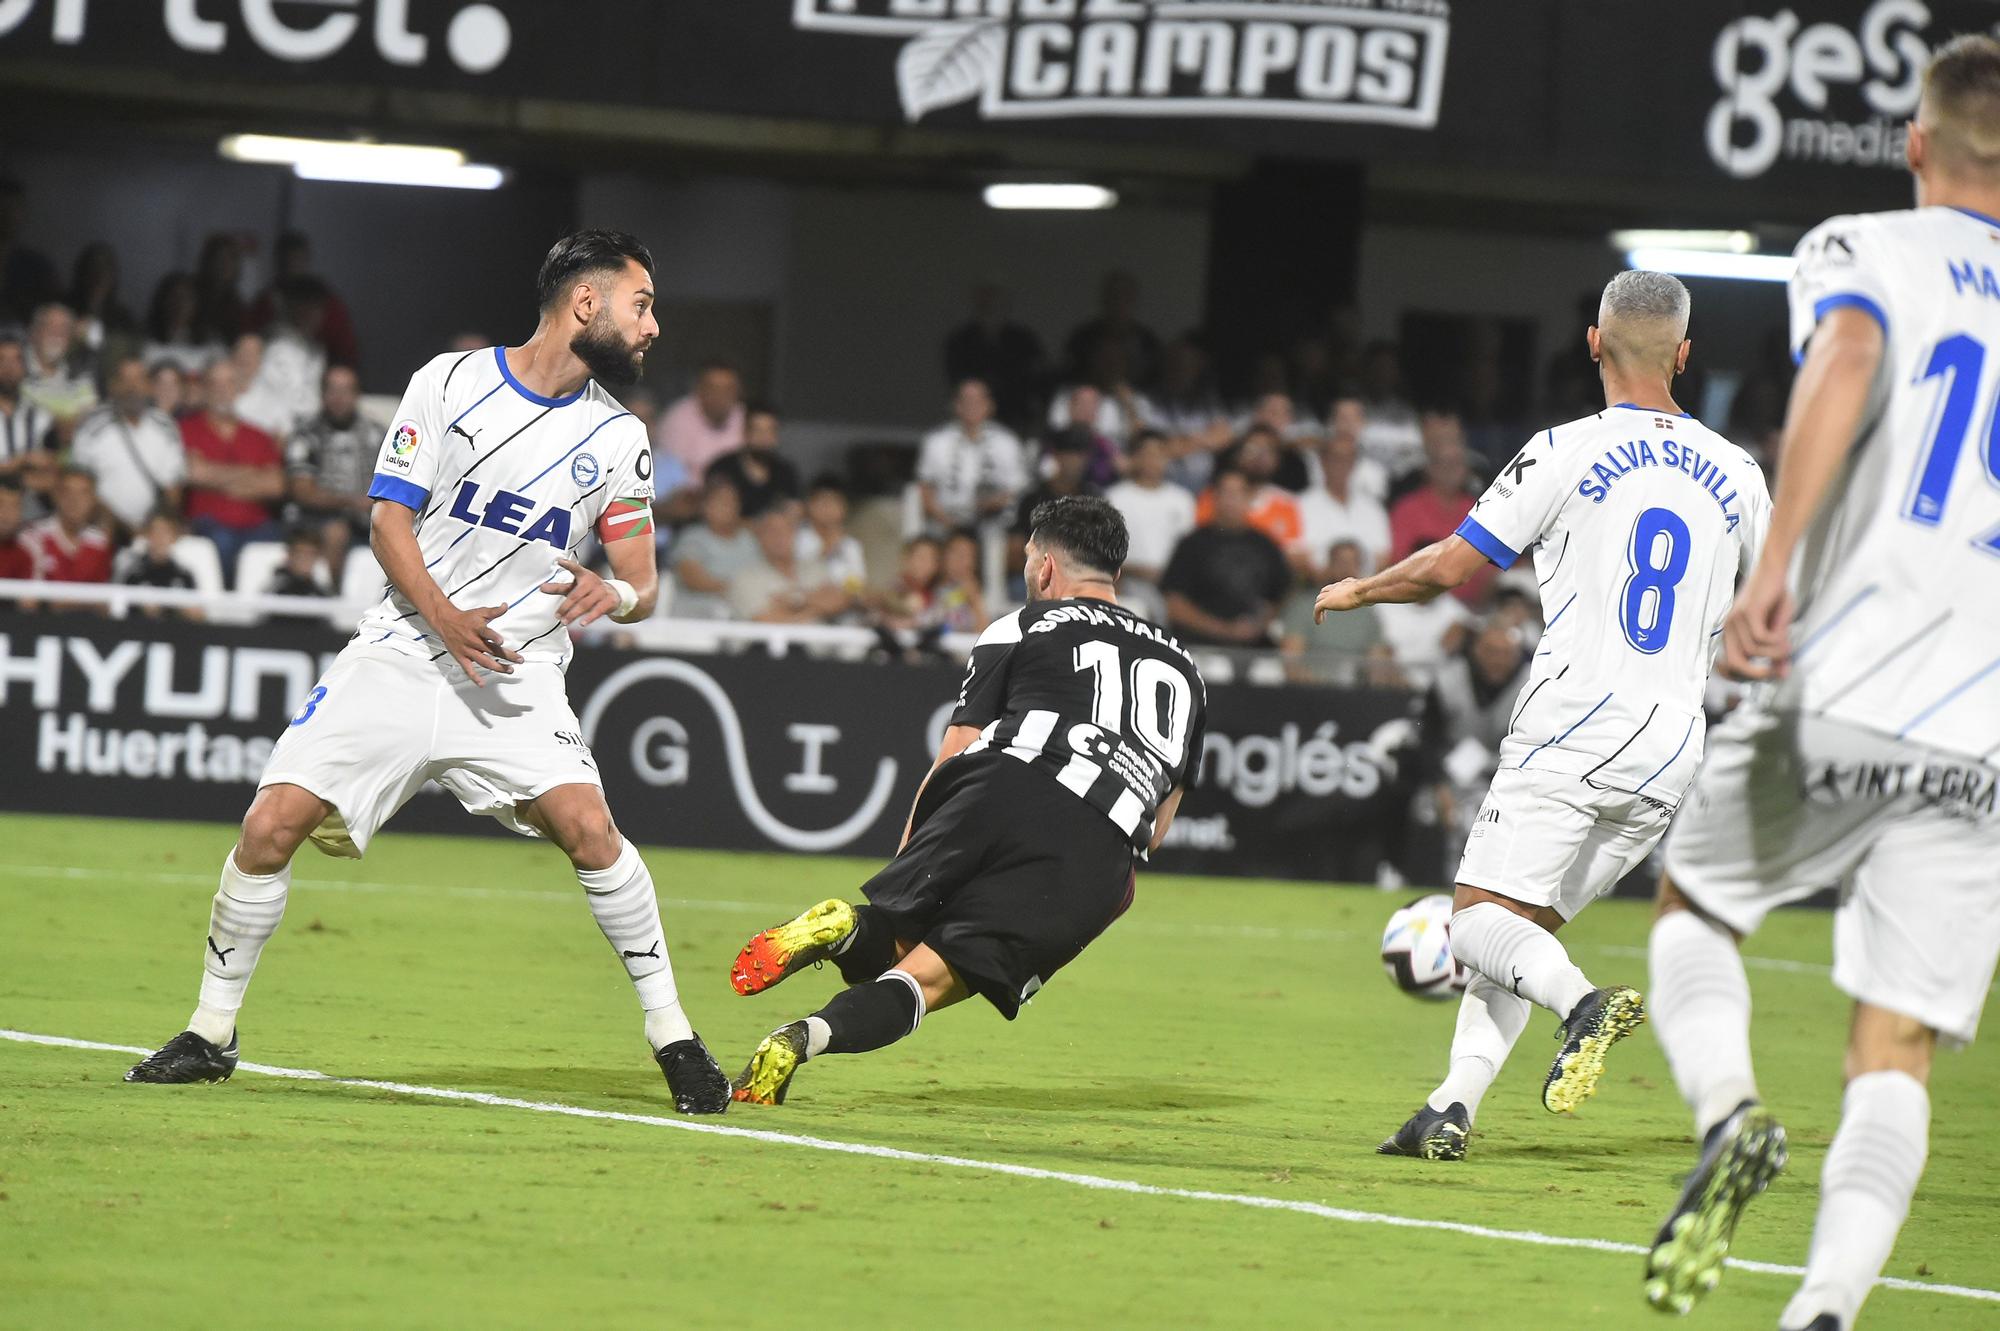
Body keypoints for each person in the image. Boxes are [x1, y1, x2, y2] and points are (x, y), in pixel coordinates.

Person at [123, 229, 730, 1114]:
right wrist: (445, 618)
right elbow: (386, 520)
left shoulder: (620, 436)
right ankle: (211, 1033)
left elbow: (641, 582)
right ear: (586, 303)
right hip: (405, 650)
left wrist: (622, 598)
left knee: (592, 830)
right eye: (642, 305)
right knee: (268, 825)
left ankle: (673, 1036)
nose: (654, 327)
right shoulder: (449, 382)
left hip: (517, 676)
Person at [1640, 37, 2000, 1329]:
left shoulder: (1867, 247)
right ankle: (1826, 1306)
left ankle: (1730, 1112)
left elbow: (1845, 361)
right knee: (1895, 1044)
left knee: (1695, 900)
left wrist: (1772, 563)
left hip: (1848, 678)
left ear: (1916, 142)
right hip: (1986, 739)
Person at [1314, 270, 1769, 1160]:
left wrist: (1361, 587)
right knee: (1514, 934)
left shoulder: (1565, 449)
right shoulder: (1744, 473)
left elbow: (1452, 567)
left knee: (1473, 921)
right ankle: (1451, 1106)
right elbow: (1780, 606)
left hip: (1575, 726)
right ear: (1684, 356)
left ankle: (1585, 1004)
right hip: (1674, 744)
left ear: (1593, 343)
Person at [725, 495, 1206, 1105]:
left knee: (896, 936)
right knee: (924, 981)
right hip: (1093, 845)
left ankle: (846, 924)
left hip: (996, 786)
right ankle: (799, 1039)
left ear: (1047, 568)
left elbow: (956, 747)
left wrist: (910, 855)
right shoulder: (1187, 670)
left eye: (1030, 557)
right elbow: (1158, 827)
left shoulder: (1022, 624)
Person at [1161, 469, 1291, 648]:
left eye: (1238, 493)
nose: (1232, 500)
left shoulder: (1266, 545)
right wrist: (1224, 630)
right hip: (1200, 641)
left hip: (1255, 642)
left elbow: (1282, 596)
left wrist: (1259, 625)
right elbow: (1174, 604)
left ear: (1249, 498)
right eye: (1226, 493)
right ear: (1214, 498)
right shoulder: (1191, 544)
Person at [179, 358, 285, 578]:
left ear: (238, 388)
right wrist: (251, 473)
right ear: (204, 388)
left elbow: (276, 485)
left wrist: (214, 475)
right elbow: (194, 474)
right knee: (222, 542)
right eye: (215, 383)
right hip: (208, 525)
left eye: (228, 383)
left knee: (277, 547)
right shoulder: (185, 429)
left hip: (258, 526)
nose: (222, 390)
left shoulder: (259, 436)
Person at [71, 354, 186, 538]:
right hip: (102, 526)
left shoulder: (166, 426)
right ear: (113, 386)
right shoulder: (91, 426)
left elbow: (172, 488)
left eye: (139, 379)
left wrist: (156, 527)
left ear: (149, 387)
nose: (132, 387)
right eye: (125, 380)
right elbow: (81, 487)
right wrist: (126, 530)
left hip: (152, 531)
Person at [1387, 414, 1490, 605]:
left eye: (1458, 464)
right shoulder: (1407, 509)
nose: (1452, 471)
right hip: (1420, 605)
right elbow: (1398, 564)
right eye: (1445, 464)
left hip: (1472, 607)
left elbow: (1492, 567)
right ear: (1430, 469)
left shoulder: (1478, 509)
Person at [286, 364, 380, 569]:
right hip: (315, 520)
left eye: (346, 390)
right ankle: (332, 596)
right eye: (333, 390)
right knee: (336, 531)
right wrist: (351, 501)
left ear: (357, 395)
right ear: (322, 394)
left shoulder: (378, 434)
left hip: (369, 517)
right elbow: (302, 491)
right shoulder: (306, 435)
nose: (339, 398)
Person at [916, 378, 1027, 534]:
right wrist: (947, 522)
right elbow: (924, 489)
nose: (972, 406)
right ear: (956, 405)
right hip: (945, 522)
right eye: (966, 400)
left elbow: (1018, 490)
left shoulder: (1007, 442)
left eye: (978, 400)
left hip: (993, 524)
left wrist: (991, 503)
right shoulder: (936, 442)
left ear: (990, 405)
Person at [1104, 430, 1194, 618]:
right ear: (1135, 458)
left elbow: (1188, 551)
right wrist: (1137, 571)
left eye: (1159, 454)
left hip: (1173, 584)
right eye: (1146, 454)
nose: (1153, 460)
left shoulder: (1182, 500)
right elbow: (1105, 551)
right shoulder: (1115, 497)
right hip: (1127, 580)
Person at [943, 282, 1043, 434]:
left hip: (1015, 414)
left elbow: (1035, 374)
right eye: (984, 302)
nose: (989, 307)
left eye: (994, 302)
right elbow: (956, 377)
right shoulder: (961, 339)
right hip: (972, 412)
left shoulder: (1023, 338)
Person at [1296, 425, 1391, 579]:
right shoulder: (1301, 505)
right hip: (1318, 591)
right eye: (1335, 458)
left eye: (1348, 459)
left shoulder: (1372, 508)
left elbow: (1383, 557)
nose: (1341, 465)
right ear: (1323, 461)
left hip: (1366, 592)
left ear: (1354, 464)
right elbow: (1299, 559)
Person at [726, 507, 845, 624]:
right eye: (771, 531)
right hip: (773, 643)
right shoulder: (745, 578)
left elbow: (839, 601)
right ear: (759, 538)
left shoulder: (815, 568)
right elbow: (767, 622)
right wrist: (817, 606)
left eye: (786, 529)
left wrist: (796, 602)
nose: (780, 536)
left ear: (795, 534)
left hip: (824, 641)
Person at [669, 479, 760, 620]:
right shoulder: (692, 538)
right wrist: (739, 589)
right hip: (698, 617)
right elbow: (692, 578)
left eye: (732, 502)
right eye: (721, 501)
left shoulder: (749, 539)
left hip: (744, 615)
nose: (727, 507)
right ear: (705, 507)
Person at [21, 465, 115, 595]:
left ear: (94, 500)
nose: (74, 500)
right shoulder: (34, 537)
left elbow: (103, 603)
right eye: (67, 492)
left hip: (87, 616)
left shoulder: (100, 543)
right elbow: (31, 600)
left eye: (83, 493)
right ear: (56, 496)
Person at [704, 404, 799, 519]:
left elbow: (793, 513)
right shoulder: (722, 469)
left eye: (770, 430)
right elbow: (715, 516)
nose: (764, 437)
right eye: (757, 430)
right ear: (745, 433)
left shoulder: (786, 472)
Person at [656, 360, 744, 479]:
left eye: (727, 390)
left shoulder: (745, 418)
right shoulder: (677, 420)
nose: (720, 396)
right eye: (713, 388)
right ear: (699, 389)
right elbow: (670, 480)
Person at [22, 302, 98, 439]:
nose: (57, 334)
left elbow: (90, 424)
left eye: (64, 329)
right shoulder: (15, 370)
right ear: (35, 332)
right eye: (50, 326)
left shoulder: (80, 377)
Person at [0, 329, 57, 512]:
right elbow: (34, 467)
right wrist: (22, 462)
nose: (9, 368)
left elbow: (52, 477)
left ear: (25, 366)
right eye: (2, 359)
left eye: (16, 360)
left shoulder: (42, 418)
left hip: (31, 513)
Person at [117, 507, 202, 620]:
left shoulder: (184, 575)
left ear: (174, 537)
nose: (160, 538)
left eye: (165, 532)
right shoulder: (134, 574)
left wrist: (188, 611)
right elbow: (121, 612)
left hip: (176, 633)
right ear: (147, 535)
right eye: (155, 532)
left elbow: (197, 614)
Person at [796, 474, 867, 598]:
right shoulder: (796, 538)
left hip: (844, 607)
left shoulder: (850, 544)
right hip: (806, 607)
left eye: (835, 502)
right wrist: (826, 549)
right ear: (809, 505)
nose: (828, 508)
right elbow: (796, 578)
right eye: (822, 502)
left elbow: (857, 585)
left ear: (844, 508)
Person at [142, 273, 223, 374]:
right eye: (174, 297)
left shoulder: (213, 347)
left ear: (197, 304)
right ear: (163, 302)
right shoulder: (146, 343)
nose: (180, 304)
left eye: (186, 298)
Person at [263, 527, 333, 625]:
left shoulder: (322, 594)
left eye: (310, 554)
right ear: (289, 555)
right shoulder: (274, 590)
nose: (305, 560)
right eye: (300, 554)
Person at [934, 528, 990, 633]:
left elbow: (985, 634)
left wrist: (974, 599)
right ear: (943, 556)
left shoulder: (982, 594)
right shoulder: (930, 587)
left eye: (968, 555)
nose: (960, 560)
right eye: (956, 553)